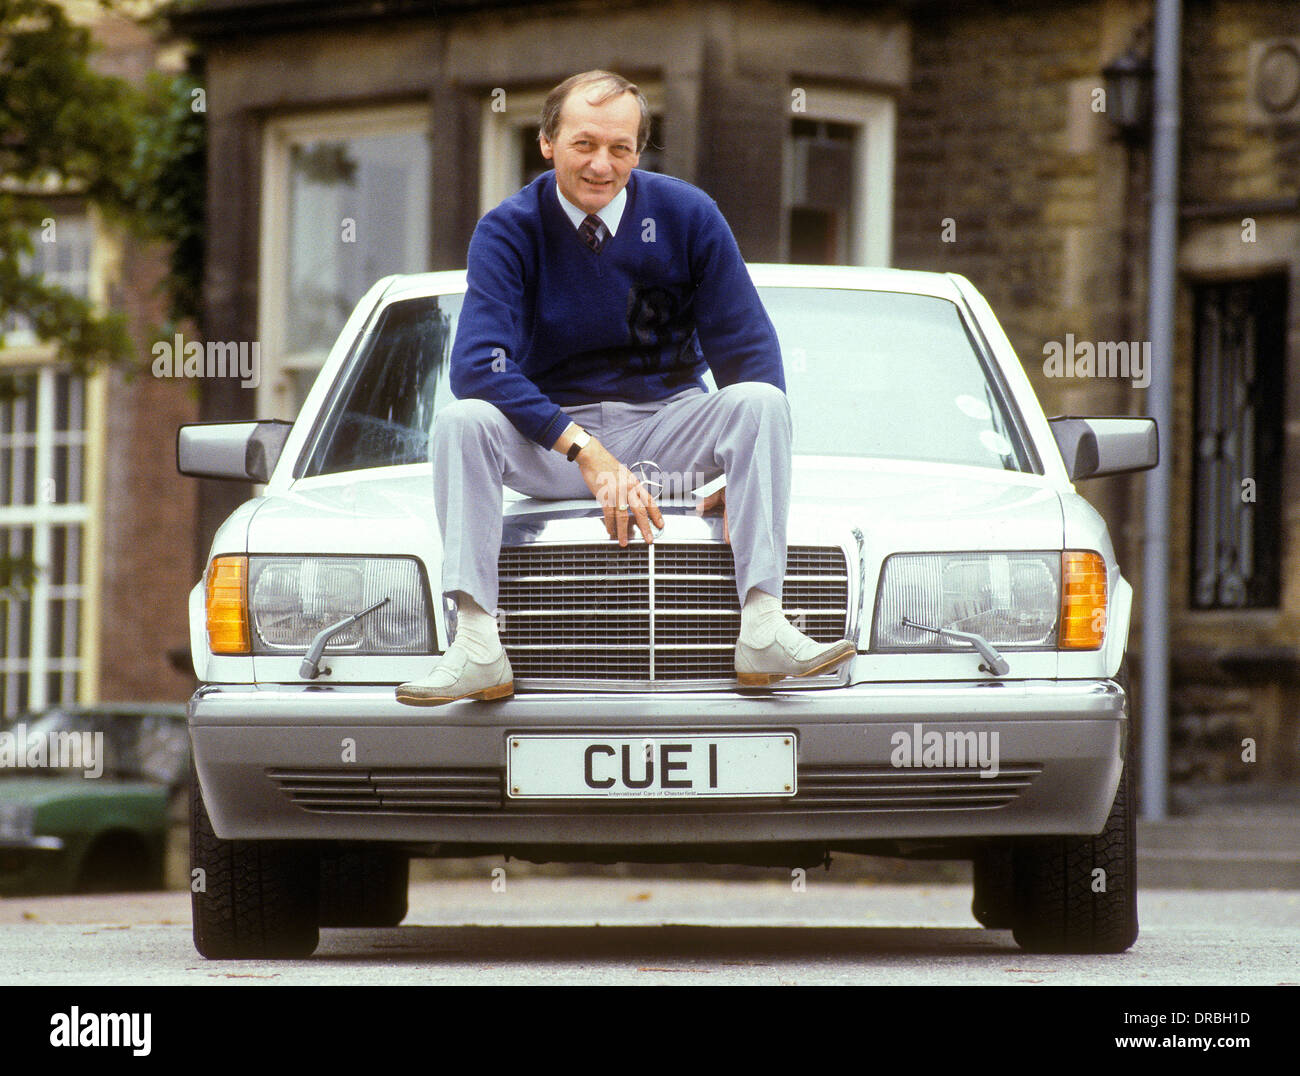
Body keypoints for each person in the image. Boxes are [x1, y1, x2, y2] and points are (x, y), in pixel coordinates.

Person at [396, 69, 854, 705]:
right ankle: (476, 643)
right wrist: (584, 448)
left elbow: (747, 349)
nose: (602, 166)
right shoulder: (508, 231)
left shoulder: (688, 215)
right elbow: (478, 364)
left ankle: (764, 627)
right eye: (584, 144)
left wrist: (732, 473)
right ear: (547, 142)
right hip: (553, 443)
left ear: (639, 150)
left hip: (666, 430)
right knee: (461, 421)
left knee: (761, 402)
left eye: (621, 148)